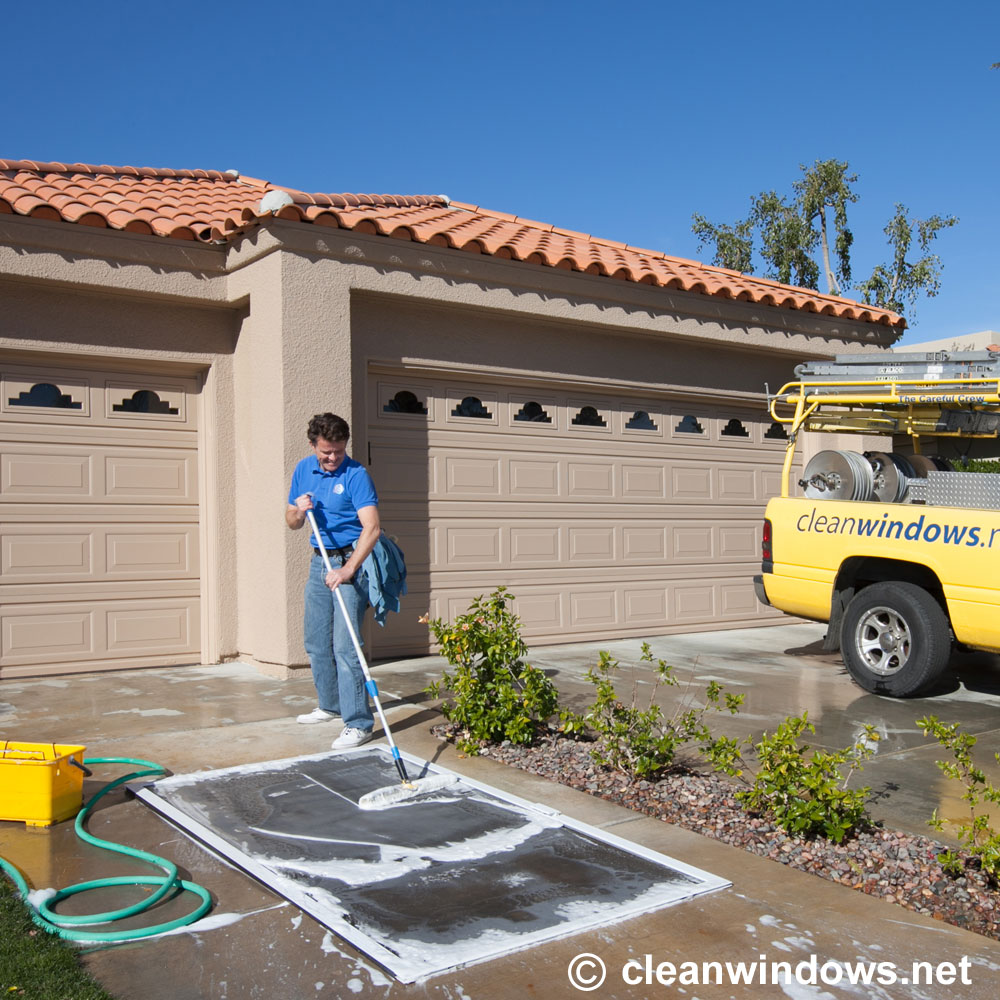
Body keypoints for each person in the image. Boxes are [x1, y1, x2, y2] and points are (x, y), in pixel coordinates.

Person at [286, 413, 381, 748]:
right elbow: (292, 522)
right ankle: (330, 705)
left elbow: (372, 528)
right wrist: (298, 510)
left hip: (348, 563)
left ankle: (359, 722)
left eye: (338, 451)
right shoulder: (303, 470)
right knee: (315, 642)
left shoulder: (356, 475)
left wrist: (349, 569)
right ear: (313, 445)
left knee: (346, 647)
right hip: (319, 563)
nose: (331, 458)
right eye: (326, 451)